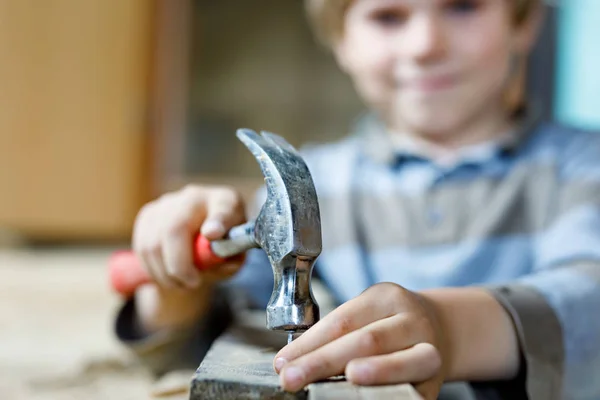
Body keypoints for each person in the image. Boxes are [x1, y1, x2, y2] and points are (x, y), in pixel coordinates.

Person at [114, 0, 600, 399]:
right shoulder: (316, 180)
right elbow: (205, 344)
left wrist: (449, 330)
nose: (426, 44)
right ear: (341, 40)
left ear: (524, 21)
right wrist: (177, 280)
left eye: (463, 6)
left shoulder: (584, 168)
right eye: (388, 16)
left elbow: (588, 297)